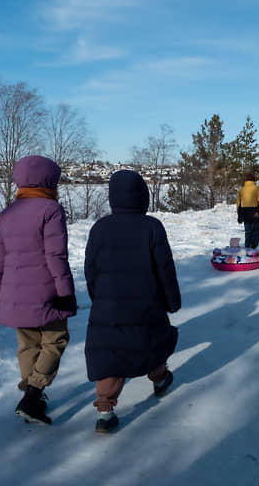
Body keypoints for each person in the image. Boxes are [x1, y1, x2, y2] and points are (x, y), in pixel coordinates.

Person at [84, 170, 181, 434]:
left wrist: (98, 297)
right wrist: (172, 301)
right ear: (143, 196)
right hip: (146, 303)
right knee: (152, 343)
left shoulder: (100, 228)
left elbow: (90, 269)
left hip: (109, 305)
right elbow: (165, 269)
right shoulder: (151, 227)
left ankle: (105, 411)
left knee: (110, 353)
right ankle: (160, 380)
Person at [0, 155, 77, 425]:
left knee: (27, 345)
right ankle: (33, 394)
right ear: (50, 180)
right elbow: (56, 255)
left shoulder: (9, 213)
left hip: (13, 293)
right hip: (47, 292)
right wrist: (65, 291)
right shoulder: (50, 210)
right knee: (55, 340)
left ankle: (32, 400)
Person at [236, 173, 259, 249]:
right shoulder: (257, 189)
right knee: (258, 231)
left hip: (245, 212)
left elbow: (238, 203)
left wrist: (239, 215)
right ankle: (253, 245)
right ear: (254, 180)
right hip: (254, 212)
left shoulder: (241, 190)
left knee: (248, 232)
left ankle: (247, 248)